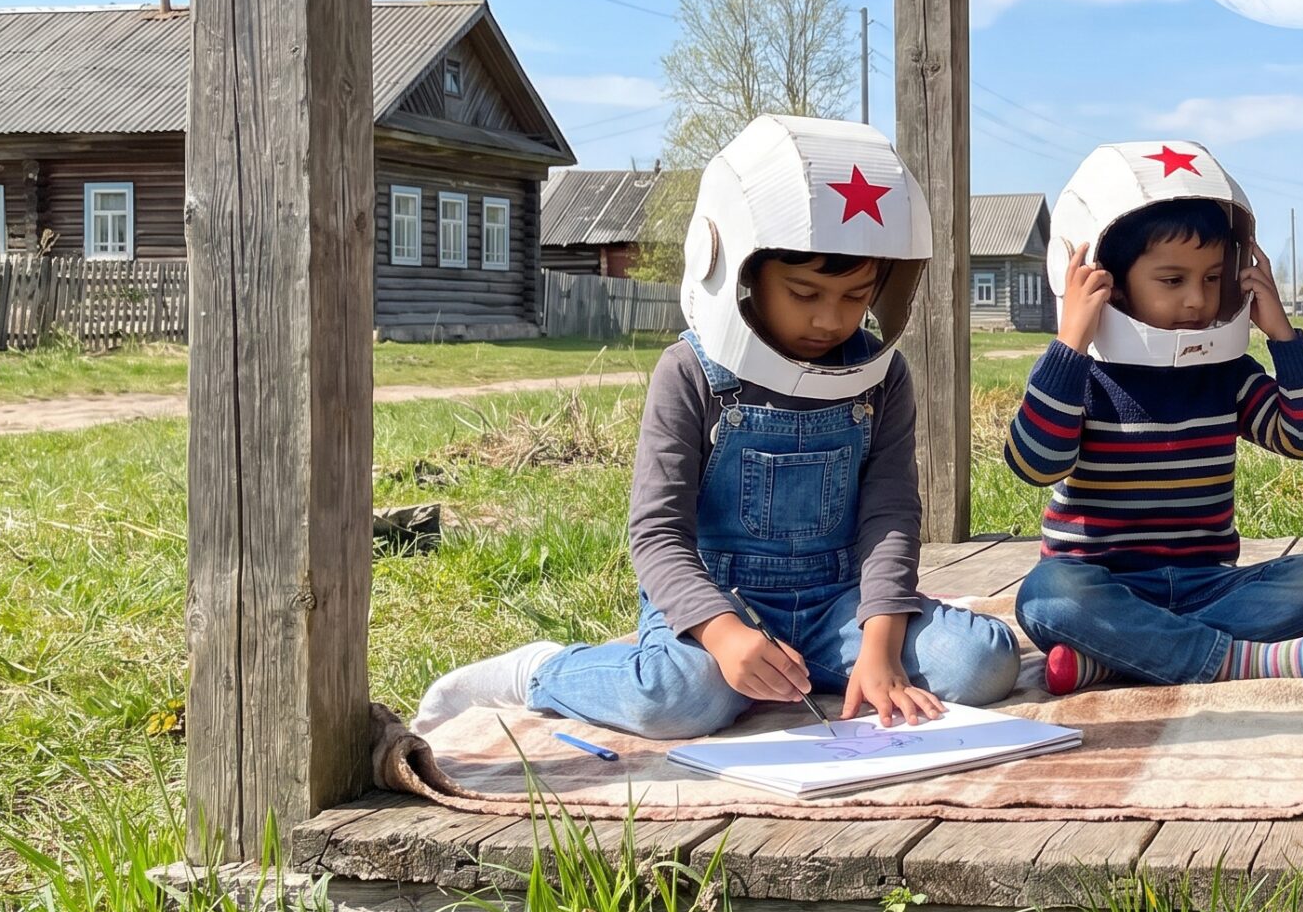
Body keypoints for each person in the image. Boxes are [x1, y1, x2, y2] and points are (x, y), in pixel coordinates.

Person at [413, 117, 1020, 739]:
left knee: (984, 663)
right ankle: (543, 671)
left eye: (855, 294)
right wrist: (724, 635)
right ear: (738, 270)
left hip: (839, 600)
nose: (831, 319)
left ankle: (815, 667)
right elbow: (656, 535)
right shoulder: (689, 374)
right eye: (804, 293)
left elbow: (889, 513)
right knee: (680, 699)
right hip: (719, 602)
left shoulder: (880, 376)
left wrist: (882, 642)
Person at [1007, 141, 1303, 696]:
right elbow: (1035, 464)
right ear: (1104, 279)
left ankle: (1121, 657)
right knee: (1046, 595)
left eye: (1212, 278)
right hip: (1101, 586)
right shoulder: (1083, 376)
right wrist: (1070, 341)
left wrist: (1282, 336)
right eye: (1172, 280)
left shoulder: (1225, 373)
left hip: (1208, 585)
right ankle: (1235, 660)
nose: (1197, 300)